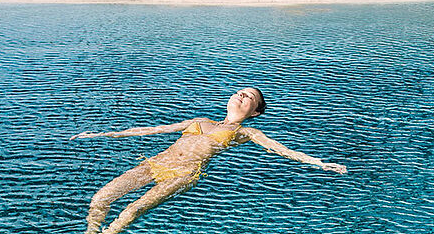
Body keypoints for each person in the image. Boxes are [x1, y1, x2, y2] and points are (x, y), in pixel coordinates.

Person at [70, 88, 347, 234]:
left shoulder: (245, 132)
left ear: (254, 112)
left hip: (183, 174)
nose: (242, 95)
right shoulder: (199, 120)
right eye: (240, 91)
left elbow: (280, 149)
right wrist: (99, 133)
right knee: (101, 198)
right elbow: (149, 130)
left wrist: (321, 164)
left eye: (249, 97)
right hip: (154, 163)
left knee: (130, 211)